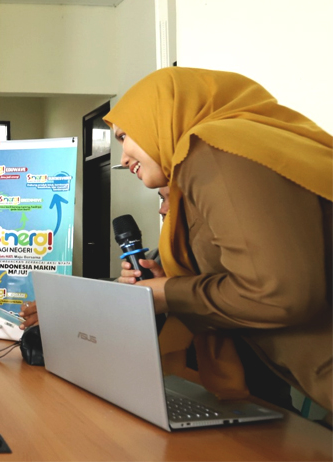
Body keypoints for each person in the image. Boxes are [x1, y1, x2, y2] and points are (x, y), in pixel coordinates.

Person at [104, 67, 331, 414]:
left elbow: (277, 294)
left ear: (160, 114)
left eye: (123, 136)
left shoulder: (211, 147)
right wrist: (173, 278)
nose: (122, 158)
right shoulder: (235, 148)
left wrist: (168, 293)